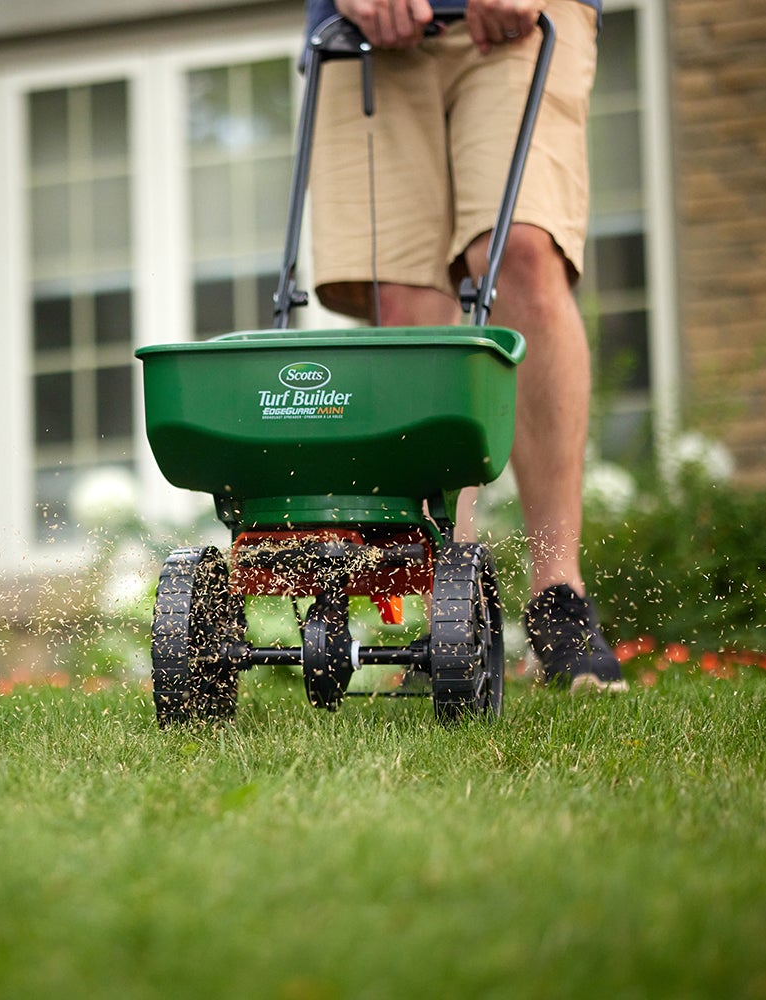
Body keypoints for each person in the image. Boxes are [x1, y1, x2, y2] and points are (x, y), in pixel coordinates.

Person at [305, 0, 627, 693]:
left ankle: (558, 603)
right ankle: (451, 611)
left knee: (517, 251)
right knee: (404, 299)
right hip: (364, 34)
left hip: (517, 23)